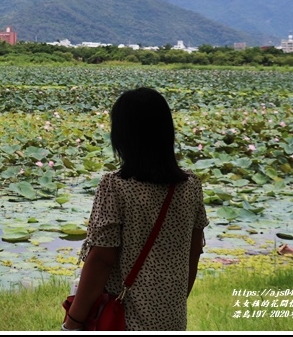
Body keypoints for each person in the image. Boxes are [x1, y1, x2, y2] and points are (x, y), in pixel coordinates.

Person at [62, 87, 208, 331]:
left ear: (123, 135)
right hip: (172, 318)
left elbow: (101, 260)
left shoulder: (114, 186)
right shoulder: (191, 186)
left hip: (124, 319)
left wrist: (73, 321)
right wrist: (174, 302)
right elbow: (194, 252)